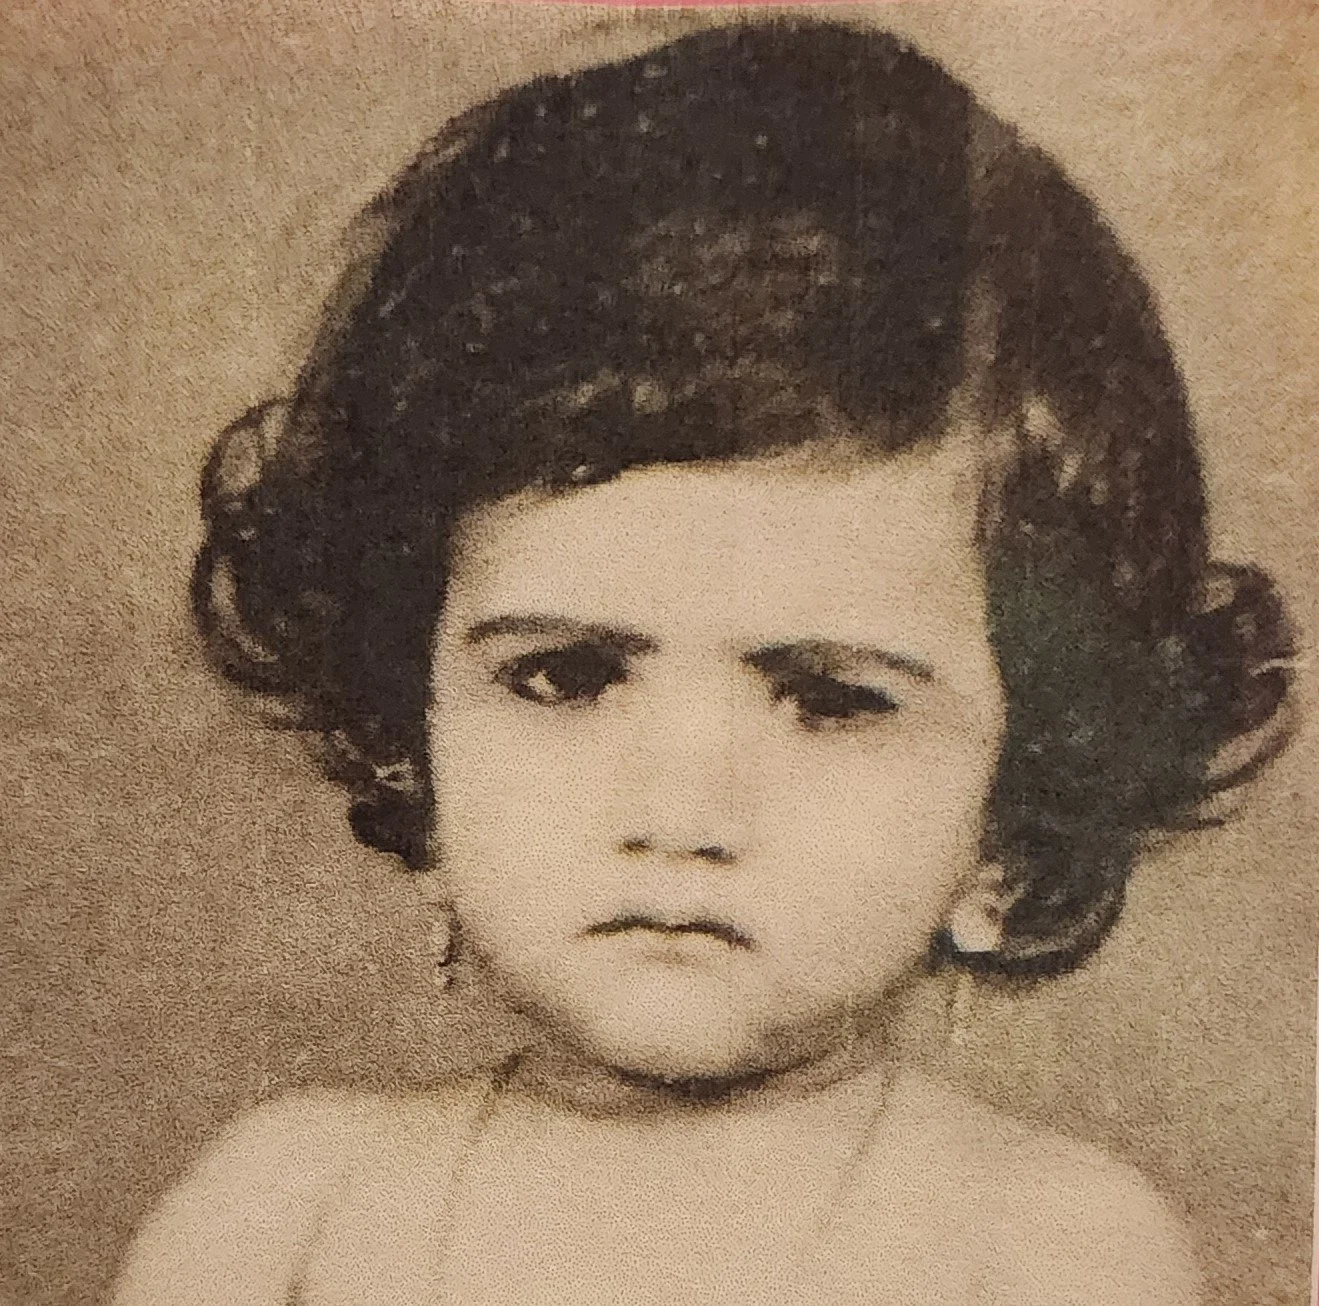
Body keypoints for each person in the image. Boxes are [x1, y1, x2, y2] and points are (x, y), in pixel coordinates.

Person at [110, 18, 1295, 1304]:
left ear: (1008, 825)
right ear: (412, 736)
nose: (677, 810)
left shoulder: (1042, 1246)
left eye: (829, 698)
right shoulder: (288, 1214)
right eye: (564, 676)